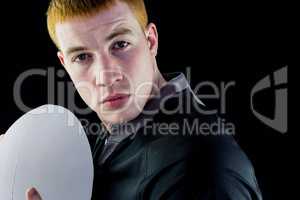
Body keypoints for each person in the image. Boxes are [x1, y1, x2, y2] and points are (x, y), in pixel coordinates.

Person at [0, 0, 263, 199]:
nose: (105, 75)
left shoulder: (200, 167)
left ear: (150, 41)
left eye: (120, 44)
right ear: (64, 63)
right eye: (82, 57)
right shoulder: (108, 140)